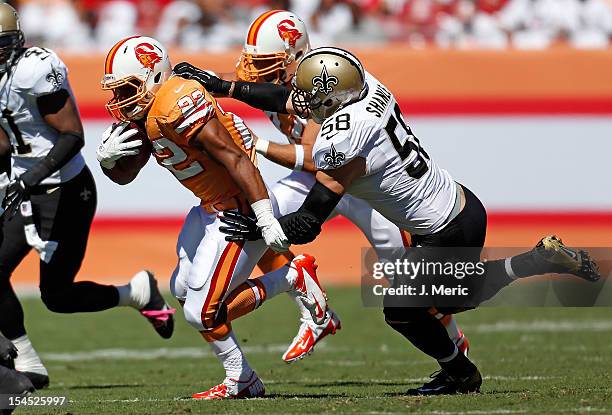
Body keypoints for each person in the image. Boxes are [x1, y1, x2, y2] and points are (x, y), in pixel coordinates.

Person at [174, 46, 600, 395]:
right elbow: (289, 99)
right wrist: (223, 86)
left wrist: (263, 227)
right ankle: (538, 261)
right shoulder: (367, 87)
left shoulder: (347, 137)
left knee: (407, 310)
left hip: (443, 230)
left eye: (312, 99)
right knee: (438, 296)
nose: (300, 104)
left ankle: (461, 373)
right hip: (458, 204)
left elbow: (309, 221)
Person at [225, 9, 469, 362]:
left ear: (296, 56)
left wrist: (258, 144)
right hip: (313, 182)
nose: (255, 73)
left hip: (362, 186)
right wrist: (198, 83)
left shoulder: (327, 82)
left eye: (267, 63)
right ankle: (313, 311)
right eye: (255, 63)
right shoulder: (272, 75)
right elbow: (234, 83)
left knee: (405, 277)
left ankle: (452, 338)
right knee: (260, 220)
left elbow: (316, 158)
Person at [96, 35, 329, 399]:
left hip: (237, 208)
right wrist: (108, 161)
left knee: (201, 312)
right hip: (210, 207)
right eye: (118, 90)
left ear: (154, 76)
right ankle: (283, 292)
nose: (121, 99)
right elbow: (125, 175)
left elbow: (234, 156)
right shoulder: (148, 111)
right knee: (181, 290)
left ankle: (250, 364)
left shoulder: (176, 102)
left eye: (128, 88)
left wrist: (264, 216)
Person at [0, 3, 175, 390]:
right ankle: (27, 364)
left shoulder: (34, 70)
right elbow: (6, 140)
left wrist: (32, 177)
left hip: (64, 190)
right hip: (24, 187)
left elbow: (72, 136)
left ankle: (136, 293)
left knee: (57, 296)